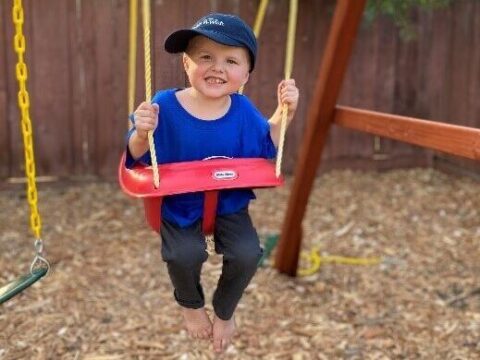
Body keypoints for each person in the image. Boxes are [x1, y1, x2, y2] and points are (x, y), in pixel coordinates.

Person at [126, 13, 299, 354]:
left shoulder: (243, 109)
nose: (217, 67)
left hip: (229, 204)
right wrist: (142, 132)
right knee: (183, 253)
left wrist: (284, 113)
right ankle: (191, 305)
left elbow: (268, 144)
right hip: (177, 205)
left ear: (245, 75)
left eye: (231, 60)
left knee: (248, 253)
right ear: (186, 64)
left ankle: (224, 310)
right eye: (206, 57)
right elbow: (136, 155)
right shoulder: (163, 105)